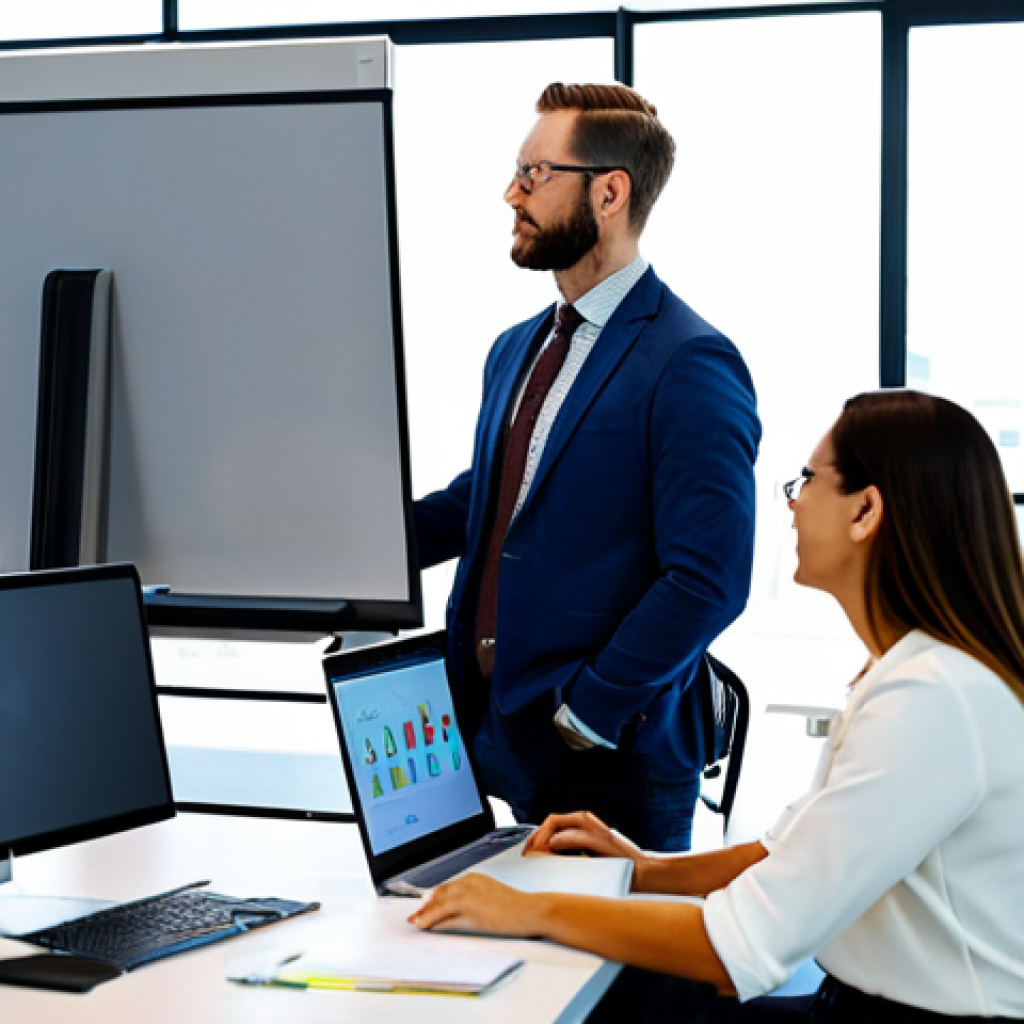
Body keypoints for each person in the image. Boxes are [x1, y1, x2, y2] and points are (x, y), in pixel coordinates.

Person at [411, 390, 1024, 1022]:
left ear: (866, 510)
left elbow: (743, 951)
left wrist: (527, 909)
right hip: (859, 1004)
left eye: (807, 480)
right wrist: (644, 869)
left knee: (606, 1001)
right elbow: (780, 855)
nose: (790, 503)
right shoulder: (918, 675)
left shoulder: (931, 701)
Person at [413, 82, 760, 853]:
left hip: (613, 755)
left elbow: (709, 576)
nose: (512, 194)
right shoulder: (516, 347)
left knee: (618, 976)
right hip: (502, 740)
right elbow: (498, 500)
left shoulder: (690, 361)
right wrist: (363, 544)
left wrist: (593, 709)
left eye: (536, 175)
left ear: (608, 192)